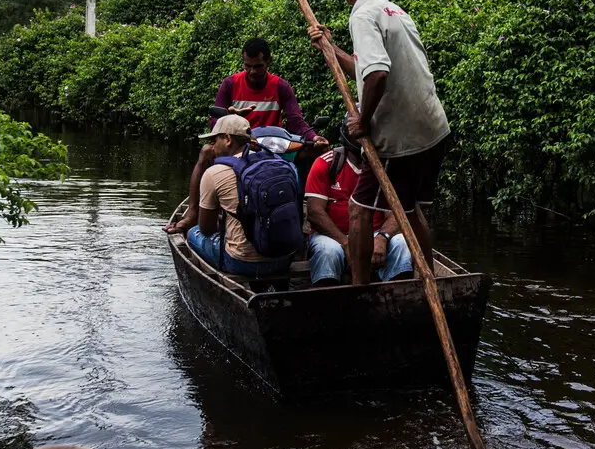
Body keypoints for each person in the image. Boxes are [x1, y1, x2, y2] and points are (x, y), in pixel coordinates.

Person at [307, 0, 451, 285]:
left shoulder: (362, 14)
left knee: (359, 209)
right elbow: (365, 67)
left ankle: (358, 291)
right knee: (411, 209)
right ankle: (427, 281)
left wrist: (363, 118)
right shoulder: (393, 11)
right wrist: (329, 47)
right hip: (434, 131)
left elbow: (377, 74)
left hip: (400, 137)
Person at [164, 37, 326, 234]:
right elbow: (215, 123)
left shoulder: (280, 86)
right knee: (207, 152)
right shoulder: (230, 84)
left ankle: (300, 220)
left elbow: (295, 121)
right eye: (247, 66)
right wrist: (231, 116)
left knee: (315, 153)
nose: (252, 72)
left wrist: (314, 138)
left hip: (271, 147)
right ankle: (192, 213)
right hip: (238, 145)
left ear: (269, 62)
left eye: (258, 66)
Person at [183, 114, 295, 278]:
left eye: (215, 141)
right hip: (285, 259)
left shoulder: (214, 172)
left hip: (242, 262)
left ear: (227, 139)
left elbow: (207, 229)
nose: (212, 147)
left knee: (193, 233)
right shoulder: (281, 164)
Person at [303, 126, 414, 286]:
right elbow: (314, 212)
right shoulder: (326, 163)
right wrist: (347, 244)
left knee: (402, 243)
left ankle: (398, 294)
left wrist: (382, 238)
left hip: (374, 234)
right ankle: (328, 299)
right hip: (332, 237)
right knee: (327, 252)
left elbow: (395, 213)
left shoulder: (383, 166)